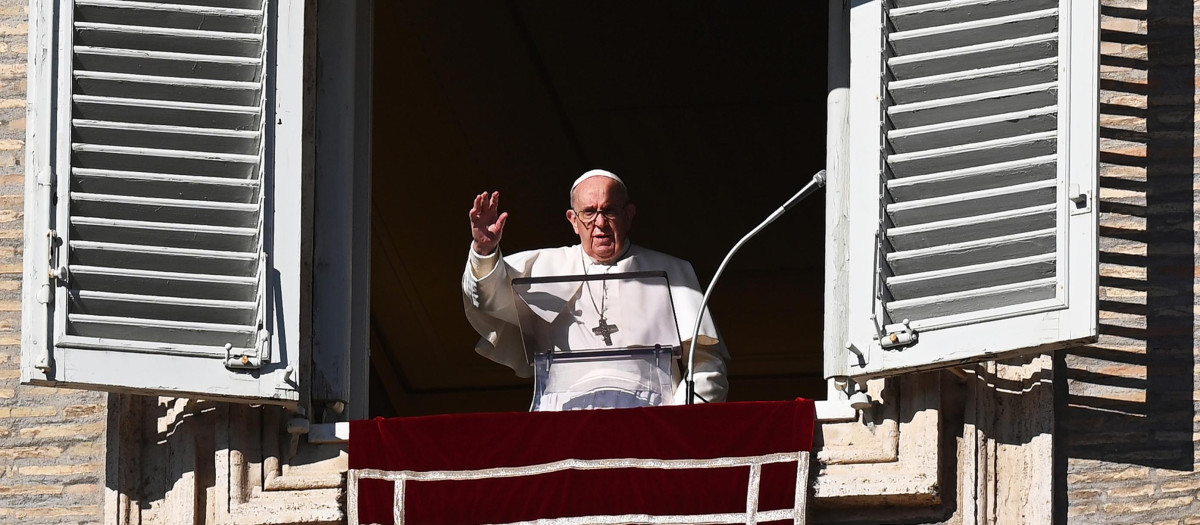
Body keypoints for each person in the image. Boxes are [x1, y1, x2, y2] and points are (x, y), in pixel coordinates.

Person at [461, 169, 729, 407]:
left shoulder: (672, 271)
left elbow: (706, 363)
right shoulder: (542, 266)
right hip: (564, 419)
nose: (599, 223)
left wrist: (678, 418)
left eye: (609, 211)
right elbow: (488, 297)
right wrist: (484, 251)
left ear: (628, 215)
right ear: (573, 220)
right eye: (589, 213)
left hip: (651, 419)